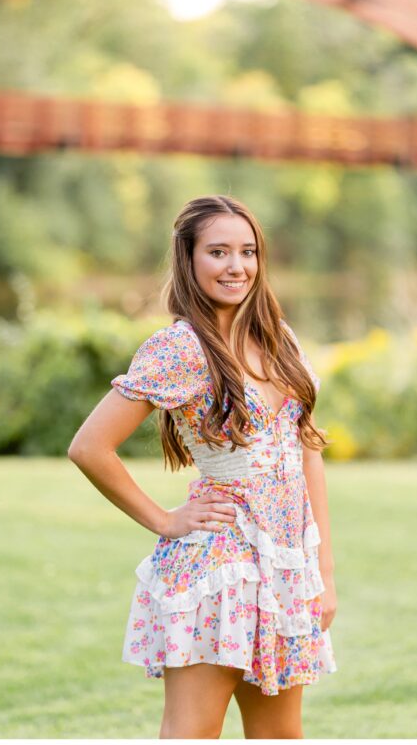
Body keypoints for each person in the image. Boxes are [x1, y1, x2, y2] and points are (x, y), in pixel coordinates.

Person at [68, 195, 336, 738]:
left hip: (284, 568)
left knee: (281, 737)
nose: (236, 266)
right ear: (188, 260)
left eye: (248, 251)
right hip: (218, 567)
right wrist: (166, 520)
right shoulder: (179, 348)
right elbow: (90, 446)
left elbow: (308, 450)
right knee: (192, 732)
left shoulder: (280, 340)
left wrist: (321, 573)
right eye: (218, 252)